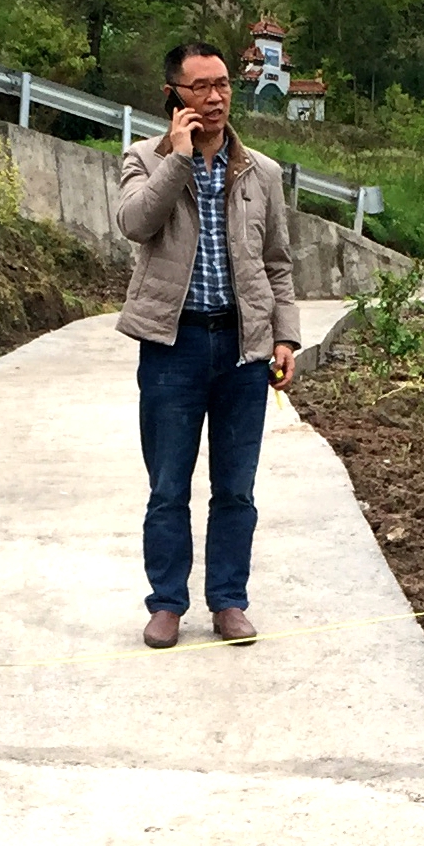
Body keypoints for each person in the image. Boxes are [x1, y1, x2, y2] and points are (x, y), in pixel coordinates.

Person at [116, 41, 301, 649]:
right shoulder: (142, 159)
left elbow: (278, 263)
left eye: (222, 84)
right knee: (168, 485)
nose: (216, 97)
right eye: (200, 87)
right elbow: (136, 224)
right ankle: (167, 604)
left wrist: (284, 335)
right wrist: (179, 157)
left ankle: (228, 601)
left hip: (243, 350)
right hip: (174, 347)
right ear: (173, 95)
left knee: (237, 488)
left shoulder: (261, 172)